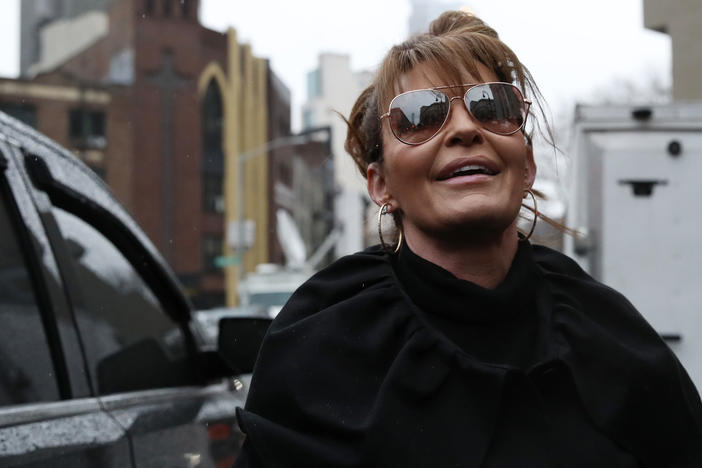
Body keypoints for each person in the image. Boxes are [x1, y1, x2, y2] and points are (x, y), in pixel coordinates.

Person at [234, 10, 702, 467]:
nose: (464, 128)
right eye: (419, 116)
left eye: (492, 107)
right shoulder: (322, 342)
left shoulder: (611, 335)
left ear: (528, 167)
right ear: (380, 185)